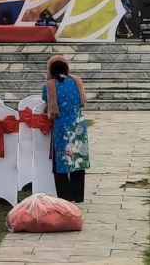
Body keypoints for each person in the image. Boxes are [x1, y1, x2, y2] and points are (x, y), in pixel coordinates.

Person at [44, 54, 90, 203]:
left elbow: (45, 100)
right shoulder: (76, 81)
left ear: (50, 69)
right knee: (77, 160)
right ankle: (77, 196)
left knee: (61, 161)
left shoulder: (49, 85)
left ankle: (65, 198)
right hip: (78, 126)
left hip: (62, 128)